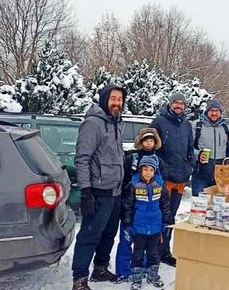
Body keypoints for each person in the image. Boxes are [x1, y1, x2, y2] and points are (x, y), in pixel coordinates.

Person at [72, 84, 126, 290]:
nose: (117, 103)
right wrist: (86, 192)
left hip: (115, 192)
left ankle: (100, 268)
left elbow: (112, 155)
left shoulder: (115, 122)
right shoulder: (93, 123)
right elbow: (82, 158)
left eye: (120, 99)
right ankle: (79, 279)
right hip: (98, 192)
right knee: (90, 234)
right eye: (113, 98)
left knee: (109, 233)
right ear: (105, 99)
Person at [150, 93, 195, 267]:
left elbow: (191, 148)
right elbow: (151, 148)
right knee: (159, 215)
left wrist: (189, 167)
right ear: (169, 104)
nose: (179, 106)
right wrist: (163, 170)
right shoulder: (159, 122)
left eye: (182, 103)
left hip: (180, 179)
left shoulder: (186, 125)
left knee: (171, 217)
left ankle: (165, 252)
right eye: (176, 103)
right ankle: (152, 252)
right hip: (163, 179)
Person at [115, 128, 165, 282]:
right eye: (146, 140)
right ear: (140, 141)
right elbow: (122, 179)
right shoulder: (132, 158)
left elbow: (162, 184)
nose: (148, 143)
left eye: (152, 140)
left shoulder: (159, 160)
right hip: (132, 206)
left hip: (150, 210)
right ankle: (123, 270)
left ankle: (142, 267)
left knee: (146, 241)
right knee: (127, 239)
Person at [122, 156, 173, 290]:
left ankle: (153, 275)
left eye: (151, 170)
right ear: (140, 170)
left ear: (155, 171)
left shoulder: (160, 184)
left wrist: (165, 221)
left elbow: (165, 204)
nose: (148, 172)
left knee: (153, 253)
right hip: (139, 226)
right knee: (137, 253)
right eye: (145, 169)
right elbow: (128, 205)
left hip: (155, 226)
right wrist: (128, 224)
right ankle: (137, 277)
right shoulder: (134, 185)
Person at [191, 99, 229, 196]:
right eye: (211, 111)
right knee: (199, 206)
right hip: (200, 174)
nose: (214, 113)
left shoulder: (226, 129)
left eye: (216, 111)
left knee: (218, 206)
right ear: (207, 111)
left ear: (220, 112)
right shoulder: (197, 126)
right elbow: (187, 149)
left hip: (219, 176)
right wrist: (198, 155)